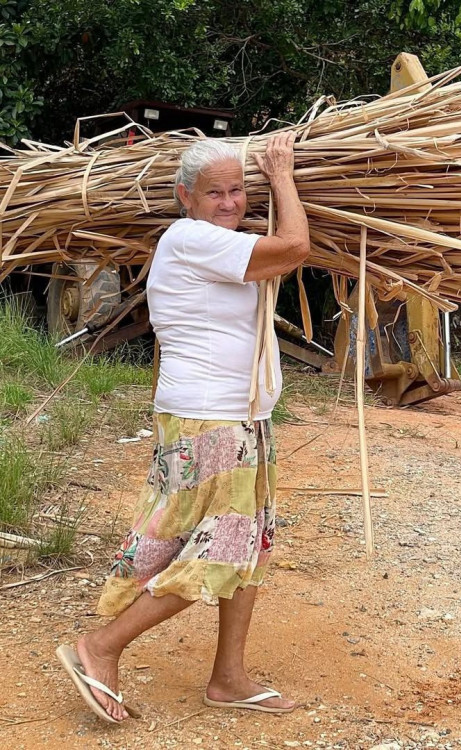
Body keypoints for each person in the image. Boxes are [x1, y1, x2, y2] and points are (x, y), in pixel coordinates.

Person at [55, 132, 311, 723]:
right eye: (214, 192)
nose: (229, 202)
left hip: (241, 416)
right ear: (185, 197)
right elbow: (295, 245)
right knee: (221, 547)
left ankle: (229, 677)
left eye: (237, 189)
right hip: (210, 417)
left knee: (249, 543)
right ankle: (100, 648)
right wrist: (281, 174)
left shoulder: (224, 241)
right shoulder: (191, 238)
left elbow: (280, 249)